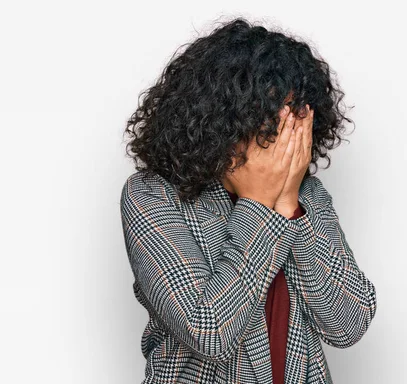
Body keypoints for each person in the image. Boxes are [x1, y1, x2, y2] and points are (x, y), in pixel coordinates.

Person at [120, 16, 377, 384]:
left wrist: (289, 205)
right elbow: (209, 330)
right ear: (222, 119)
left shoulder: (309, 197)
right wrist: (258, 201)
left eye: (295, 120)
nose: (284, 135)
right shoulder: (151, 195)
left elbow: (348, 325)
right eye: (270, 121)